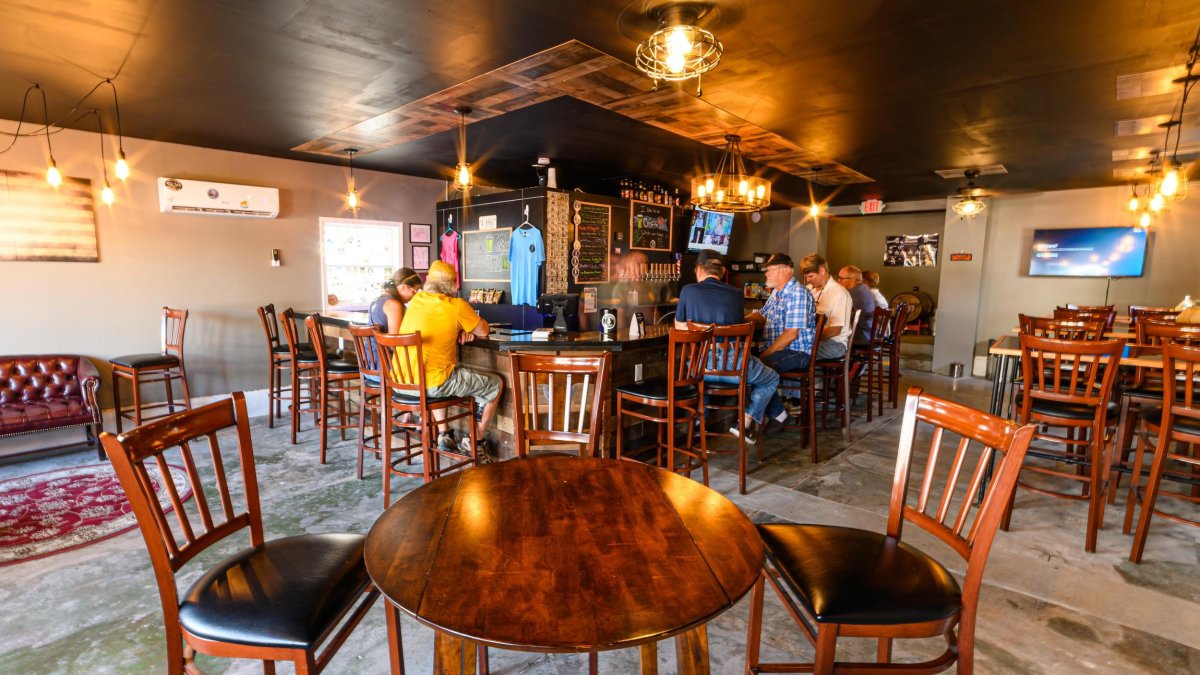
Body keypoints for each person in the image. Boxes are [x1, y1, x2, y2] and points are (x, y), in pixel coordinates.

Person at [675, 250, 783, 443]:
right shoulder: (736, 294)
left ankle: (700, 425)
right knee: (771, 378)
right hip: (735, 369)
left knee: (701, 385)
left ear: (699, 270)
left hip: (699, 369)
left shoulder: (687, 291)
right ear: (723, 271)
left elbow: (680, 328)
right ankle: (744, 422)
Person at [398, 261, 502, 458]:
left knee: (442, 371)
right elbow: (484, 330)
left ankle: (445, 434)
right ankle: (476, 439)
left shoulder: (416, 302)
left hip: (401, 382)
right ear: (453, 284)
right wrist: (465, 327)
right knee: (495, 385)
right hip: (430, 384)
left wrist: (461, 328)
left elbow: (434, 325)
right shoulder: (456, 306)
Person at [747, 253, 817, 374]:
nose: (766, 274)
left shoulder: (798, 293)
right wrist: (738, 320)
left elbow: (791, 335)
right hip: (777, 349)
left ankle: (758, 393)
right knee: (736, 361)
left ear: (785, 270)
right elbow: (761, 315)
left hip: (797, 352)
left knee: (754, 369)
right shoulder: (776, 292)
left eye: (770, 270)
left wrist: (762, 357)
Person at [800, 253, 853, 360]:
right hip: (814, 339)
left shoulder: (839, 293)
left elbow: (834, 330)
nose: (808, 280)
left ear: (822, 271)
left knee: (795, 349)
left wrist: (806, 338)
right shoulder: (809, 289)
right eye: (805, 277)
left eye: (810, 276)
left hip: (835, 344)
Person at [368, 267, 422, 333]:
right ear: (404, 287)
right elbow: (395, 339)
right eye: (414, 291)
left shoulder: (376, 301)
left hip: (372, 343)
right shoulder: (393, 304)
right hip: (384, 343)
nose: (414, 296)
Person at [837, 265, 875, 346]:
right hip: (868, 333)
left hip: (859, 336)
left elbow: (841, 316)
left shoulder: (852, 294)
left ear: (852, 281)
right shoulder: (864, 289)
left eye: (841, 278)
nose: (838, 281)